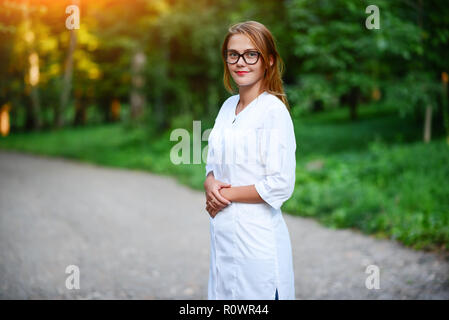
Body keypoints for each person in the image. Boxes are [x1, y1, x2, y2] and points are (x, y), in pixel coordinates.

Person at [204, 21, 296, 300]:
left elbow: (280, 184)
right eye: (233, 54)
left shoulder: (273, 111)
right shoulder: (227, 106)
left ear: (268, 61)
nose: (240, 62)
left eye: (250, 54)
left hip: (258, 244)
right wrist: (209, 183)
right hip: (224, 237)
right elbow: (214, 162)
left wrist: (224, 195)